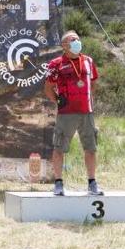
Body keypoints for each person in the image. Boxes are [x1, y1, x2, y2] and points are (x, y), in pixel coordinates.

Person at [44, 30, 103, 196]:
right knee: (59, 148)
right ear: (64, 45)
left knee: (91, 148)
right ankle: (58, 184)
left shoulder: (88, 61)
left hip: (87, 112)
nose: (77, 42)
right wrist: (57, 100)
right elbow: (48, 88)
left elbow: (94, 83)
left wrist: (89, 99)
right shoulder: (56, 63)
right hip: (66, 113)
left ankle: (92, 184)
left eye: (78, 39)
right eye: (72, 40)